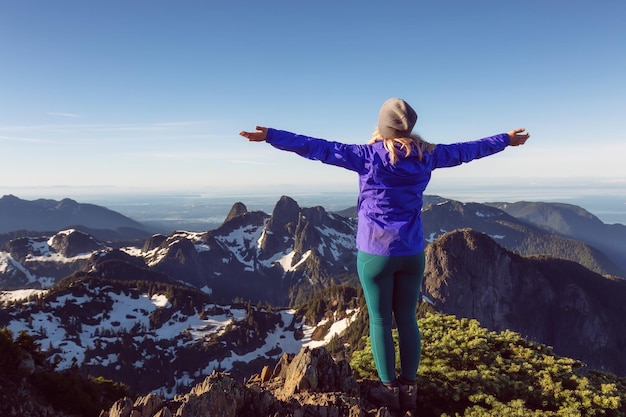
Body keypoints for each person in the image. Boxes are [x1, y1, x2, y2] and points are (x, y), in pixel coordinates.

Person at [240, 98, 530, 413]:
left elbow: (316, 147)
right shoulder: (427, 155)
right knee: (407, 319)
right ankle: (410, 389)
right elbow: (467, 150)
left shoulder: (366, 156)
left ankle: (389, 390)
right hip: (412, 252)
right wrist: (506, 140)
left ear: (382, 127)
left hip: (375, 253)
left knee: (380, 320)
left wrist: (271, 135)